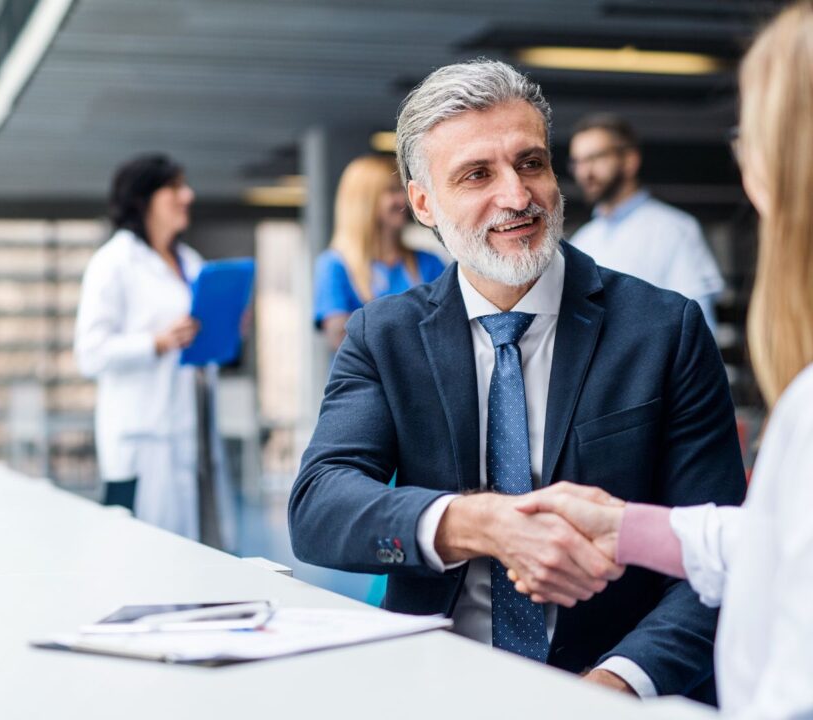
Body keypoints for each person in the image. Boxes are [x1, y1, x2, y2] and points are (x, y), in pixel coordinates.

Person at [288, 59, 746, 701]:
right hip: (434, 684)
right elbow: (319, 507)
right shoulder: (384, 336)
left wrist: (615, 685)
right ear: (423, 203)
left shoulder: (663, 330)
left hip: (611, 682)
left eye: (531, 163)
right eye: (478, 174)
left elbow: (718, 554)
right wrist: (479, 524)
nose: (517, 195)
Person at [513, 3, 813, 717]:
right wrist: (629, 528)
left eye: (752, 136)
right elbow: (785, 541)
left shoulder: (672, 249)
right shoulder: (586, 240)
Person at [74, 153, 233, 547]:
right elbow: (90, 353)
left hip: (192, 433)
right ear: (143, 198)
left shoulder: (190, 261)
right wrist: (156, 342)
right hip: (144, 439)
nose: (188, 195)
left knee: (201, 551)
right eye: (175, 187)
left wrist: (226, 327)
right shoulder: (114, 263)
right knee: (144, 553)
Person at [567, 113, 725, 331]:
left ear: (630, 161)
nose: (585, 172)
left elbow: (699, 325)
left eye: (596, 158)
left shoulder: (676, 229)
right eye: (578, 162)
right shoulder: (582, 240)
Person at [314, 154, 446, 350]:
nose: (404, 199)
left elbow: (448, 327)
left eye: (403, 189)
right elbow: (341, 339)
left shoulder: (429, 262)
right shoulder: (334, 265)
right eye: (392, 191)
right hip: (366, 381)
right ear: (365, 201)